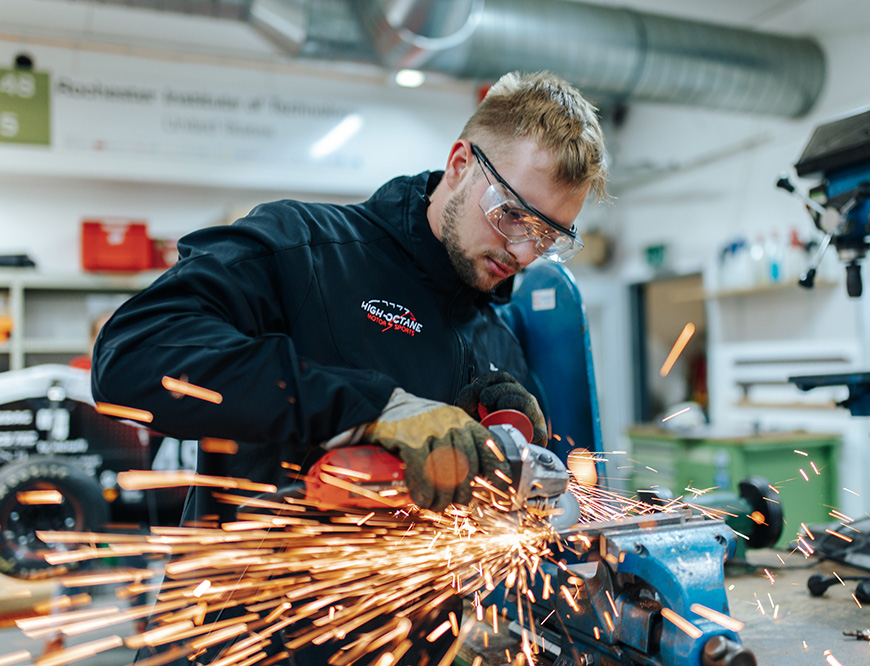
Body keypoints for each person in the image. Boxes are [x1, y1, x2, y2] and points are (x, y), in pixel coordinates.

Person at [91, 70, 608, 662]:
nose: (523, 251)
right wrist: (372, 408)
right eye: (513, 215)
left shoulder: (497, 328)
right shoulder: (305, 248)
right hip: (246, 643)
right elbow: (132, 355)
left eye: (549, 235)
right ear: (461, 163)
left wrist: (507, 447)